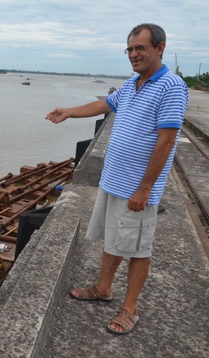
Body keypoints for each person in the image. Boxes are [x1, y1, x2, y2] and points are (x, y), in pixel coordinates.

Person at [46, 23, 188, 335]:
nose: (134, 54)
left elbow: (166, 141)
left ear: (159, 48)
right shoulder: (134, 83)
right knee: (114, 240)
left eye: (141, 48)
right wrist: (69, 111)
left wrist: (146, 188)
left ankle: (130, 308)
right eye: (130, 49)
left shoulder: (172, 86)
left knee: (138, 248)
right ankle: (103, 288)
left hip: (138, 189)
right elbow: (104, 104)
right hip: (113, 181)